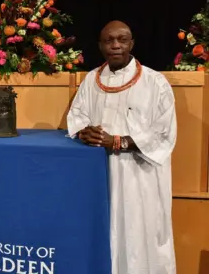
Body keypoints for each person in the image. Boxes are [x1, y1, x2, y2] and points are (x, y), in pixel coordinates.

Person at [67, 20, 177, 274]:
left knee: (140, 236)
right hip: (101, 173)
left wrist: (118, 141)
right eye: (108, 40)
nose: (115, 45)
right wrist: (86, 132)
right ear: (100, 45)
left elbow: (164, 133)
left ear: (132, 43)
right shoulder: (91, 80)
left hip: (141, 177)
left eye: (122, 39)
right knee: (105, 233)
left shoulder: (154, 82)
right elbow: (77, 117)